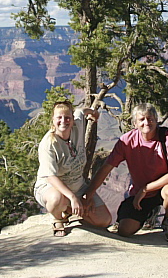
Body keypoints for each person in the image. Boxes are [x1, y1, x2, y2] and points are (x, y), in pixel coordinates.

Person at [85, 103, 168, 242]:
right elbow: (107, 167)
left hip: (163, 187)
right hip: (139, 194)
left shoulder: (167, 136)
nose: (146, 123)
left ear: (156, 120)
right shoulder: (126, 141)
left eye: (150, 119)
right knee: (125, 231)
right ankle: (148, 214)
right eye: (142, 119)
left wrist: (145, 189)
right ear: (135, 123)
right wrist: (89, 194)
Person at [34, 101, 112, 236]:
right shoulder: (48, 144)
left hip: (78, 187)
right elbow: (51, 177)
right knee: (57, 199)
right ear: (53, 120)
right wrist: (72, 198)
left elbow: (82, 111)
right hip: (50, 188)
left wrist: (94, 113)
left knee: (103, 220)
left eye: (67, 117)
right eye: (59, 117)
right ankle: (58, 218)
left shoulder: (77, 126)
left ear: (72, 119)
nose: (63, 121)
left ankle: (70, 210)